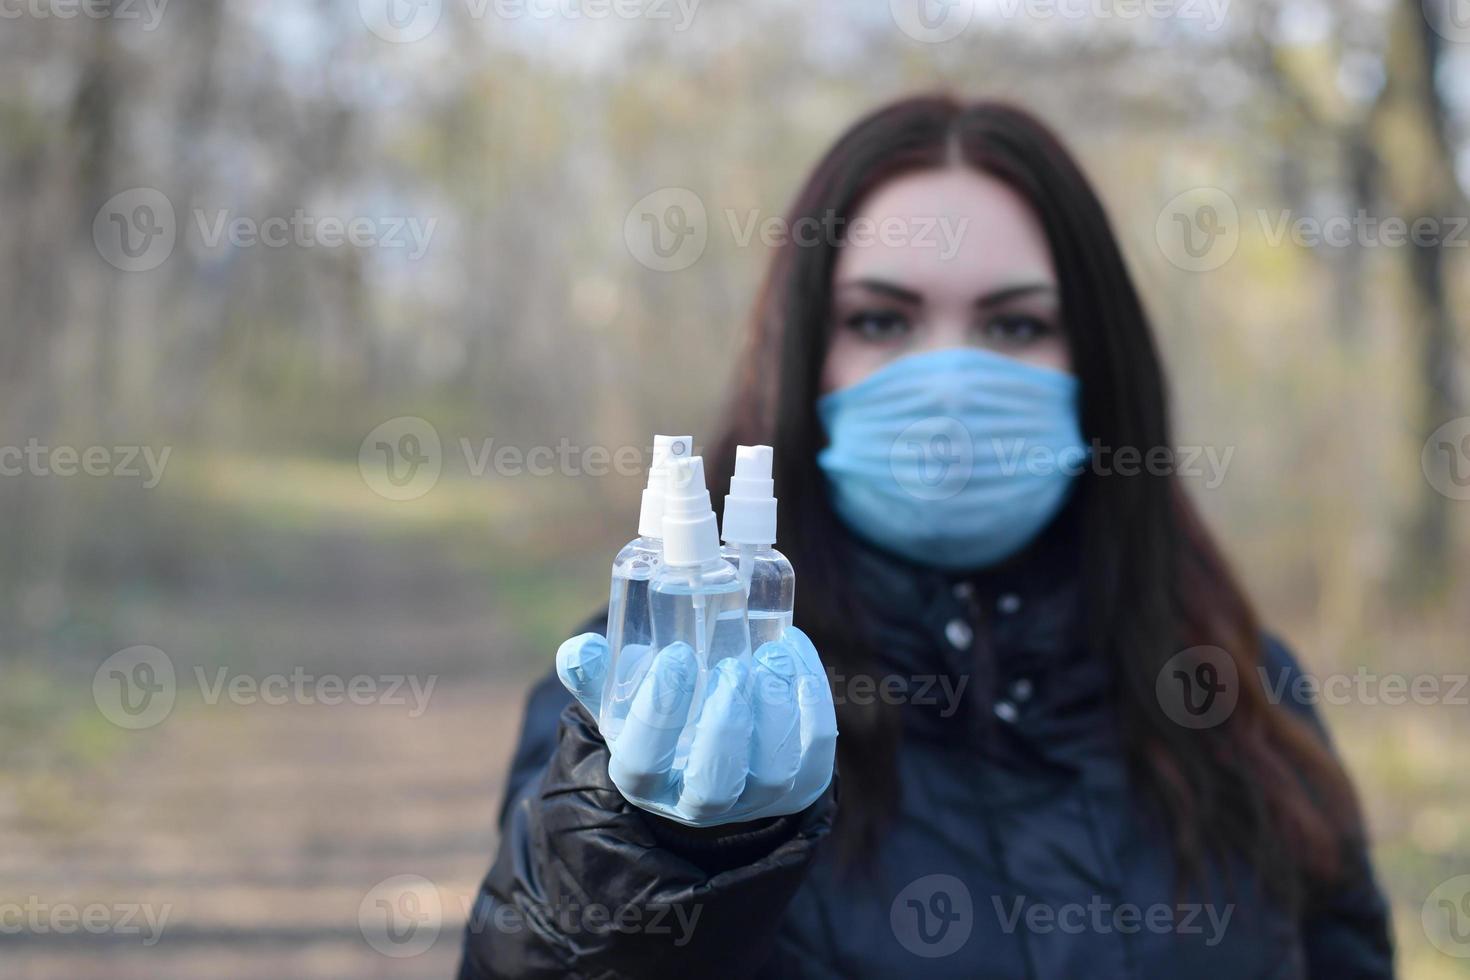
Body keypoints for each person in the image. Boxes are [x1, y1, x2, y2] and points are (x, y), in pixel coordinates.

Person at [457, 94, 1394, 979]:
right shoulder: (653, 689)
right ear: (803, 364)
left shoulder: (1236, 689)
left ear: (1100, 367)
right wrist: (652, 860)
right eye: (881, 320)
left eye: (1015, 323)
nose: (948, 380)